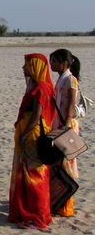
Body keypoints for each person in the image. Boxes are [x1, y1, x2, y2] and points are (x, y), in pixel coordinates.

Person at [8, 53, 56, 232]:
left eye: (27, 65)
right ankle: (29, 212)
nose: (24, 68)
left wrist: (23, 135)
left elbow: (36, 116)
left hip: (33, 135)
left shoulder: (41, 88)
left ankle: (37, 217)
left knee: (34, 176)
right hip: (29, 132)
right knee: (28, 173)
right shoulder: (37, 86)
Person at [50, 49, 82, 217]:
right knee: (58, 164)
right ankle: (57, 201)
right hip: (59, 125)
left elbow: (70, 105)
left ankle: (65, 204)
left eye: (54, 61)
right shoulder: (62, 79)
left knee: (66, 165)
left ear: (64, 63)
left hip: (66, 126)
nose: (52, 65)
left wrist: (66, 127)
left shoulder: (71, 80)